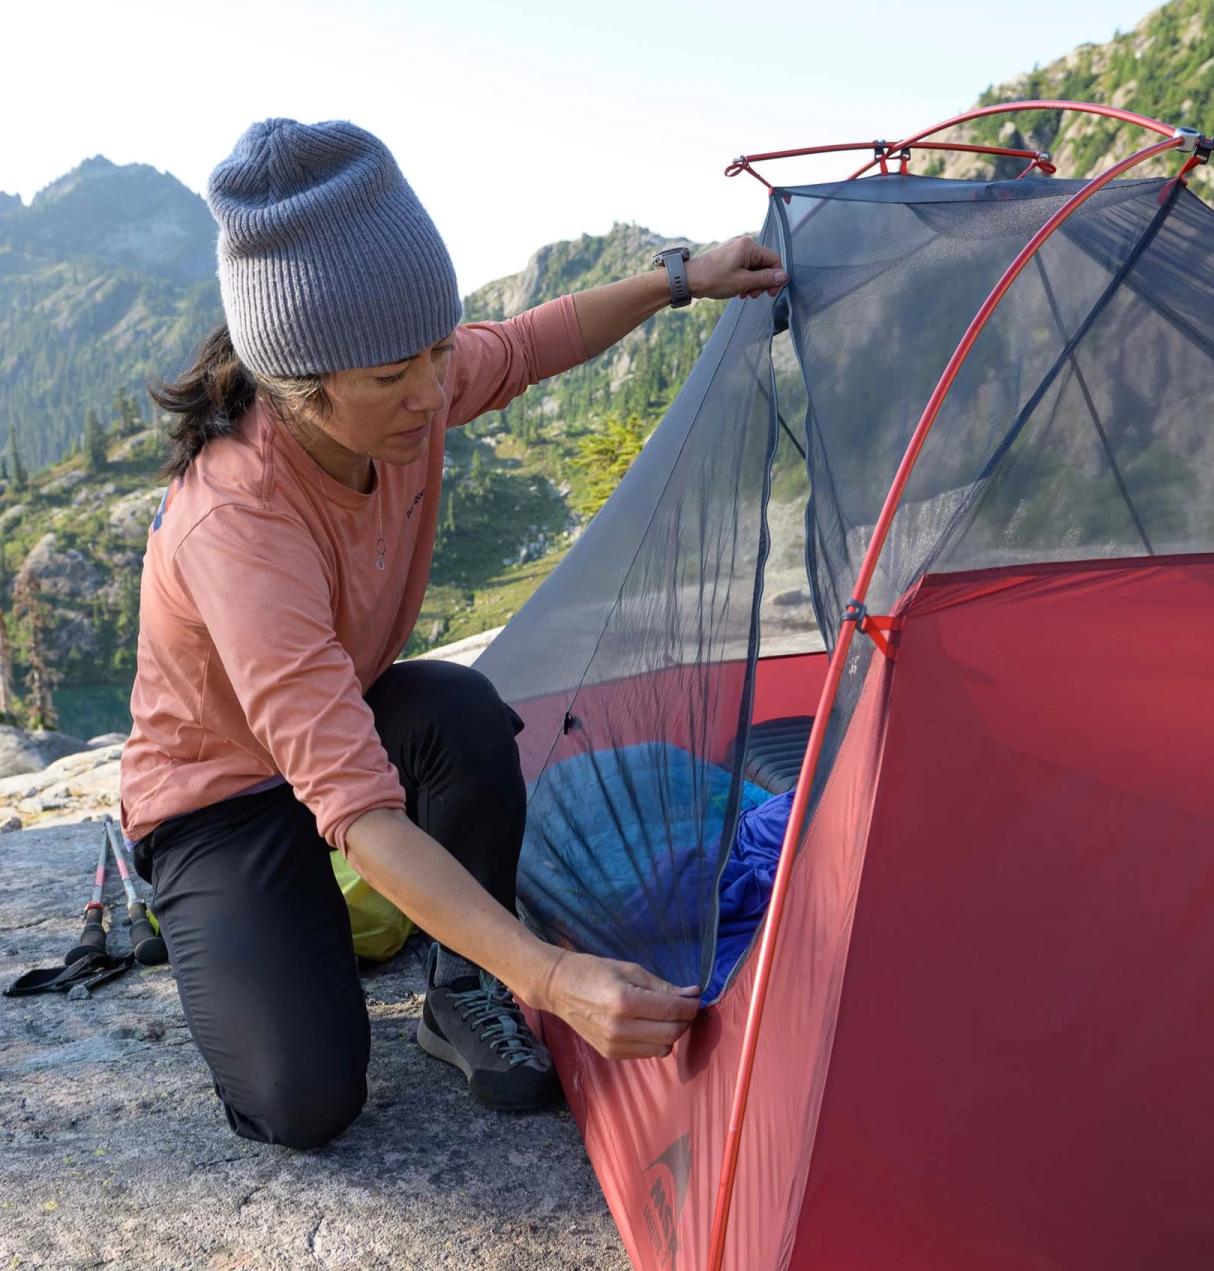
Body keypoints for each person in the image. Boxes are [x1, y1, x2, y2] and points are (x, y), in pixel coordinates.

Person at [120, 117, 786, 1151]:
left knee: (463, 712)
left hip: (340, 730)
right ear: (301, 383)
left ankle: (459, 988)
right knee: (303, 1102)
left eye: (437, 352)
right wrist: (555, 978)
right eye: (396, 377)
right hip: (222, 798)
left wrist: (679, 279)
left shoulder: (400, 381)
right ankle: (206, 905)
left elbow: (521, 347)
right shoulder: (238, 521)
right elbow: (355, 803)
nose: (431, 395)